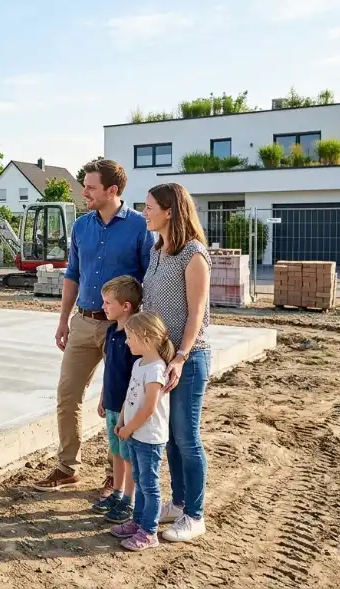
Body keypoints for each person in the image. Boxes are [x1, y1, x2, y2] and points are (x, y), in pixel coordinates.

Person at [36, 158, 155, 493]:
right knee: (68, 395)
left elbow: (151, 277)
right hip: (83, 322)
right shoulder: (81, 227)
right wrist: (63, 319)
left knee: (118, 402)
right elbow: (73, 274)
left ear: (112, 190)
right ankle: (66, 467)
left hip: (123, 330)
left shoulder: (139, 227)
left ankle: (114, 474)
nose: (84, 192)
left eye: (90, 187)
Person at [139, 182, 212, 543]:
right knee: (170, 439)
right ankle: (180, 503)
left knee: (187, 438)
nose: (144, 211)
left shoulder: (193, 254)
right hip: (163, 358)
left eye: (149, 206)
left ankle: (195, 516)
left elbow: (196, 314)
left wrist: (181, 356)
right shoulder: (157, 251)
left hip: (190, 357)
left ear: (170, 210)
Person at [110, 310, 174, 552]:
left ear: (146, 337)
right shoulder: (139, 364)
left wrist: (129, 428)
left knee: (149, 485)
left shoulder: (156, 369)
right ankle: (137, 522)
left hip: (149, 437)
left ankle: (149, 532)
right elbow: (131, 396)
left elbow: (149, 408)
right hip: (135, 433)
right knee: (139, 480)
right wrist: (122, 421)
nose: (126, 342)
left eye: (130, 337)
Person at [90, 275, 143, 524]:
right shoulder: (111, 331)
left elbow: (135, 378)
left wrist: (125, 408)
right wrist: (103, 395)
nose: (103, 307)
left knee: (129, 456)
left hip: (127, 409)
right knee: (116, 453)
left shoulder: (134, 339)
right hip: (111, 404)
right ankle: (118, 494)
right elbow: (109, 368)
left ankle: (129, 501)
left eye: (108, 302)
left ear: (126, 306)